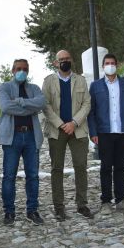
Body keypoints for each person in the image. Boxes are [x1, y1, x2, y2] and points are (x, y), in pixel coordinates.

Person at [42, 50, 93, 221]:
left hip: (77, 129)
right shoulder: (49, 81)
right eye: (61, 59)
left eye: (67, 59)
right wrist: (60, 124)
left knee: (81, 166)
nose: (64, 61)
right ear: (55, 63)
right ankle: (59, 207)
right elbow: (45, 105)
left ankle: (82, 204)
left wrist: (74, 122)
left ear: (71, 60)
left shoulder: (81, 80)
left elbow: (87, 103)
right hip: (57, 130)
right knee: (57, 169)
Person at [87, 53, 124, 214]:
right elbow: (91, 111)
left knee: (120, 167)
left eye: (113, 63)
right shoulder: (95, 86)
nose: (110, 65)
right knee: (105, 167)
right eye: (107, 63)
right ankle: (106, 201)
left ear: (117, 65)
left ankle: (121, 200)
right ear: (103, 67)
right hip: (104, 132)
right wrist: (93, 132)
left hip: (123, 131)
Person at [0, 58, 46, 226]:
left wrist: (21, 102)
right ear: (12, 70)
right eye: (18, 68)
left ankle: (32, 210)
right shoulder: (5, 87)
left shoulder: (34, 88)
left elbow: (41, 103)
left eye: (25, 69)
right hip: (12, 137)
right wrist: (29, 108)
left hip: (32, 136)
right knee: (9, 176)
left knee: (33, 176)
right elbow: (5, 107)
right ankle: (9, 212)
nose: (21, 71)